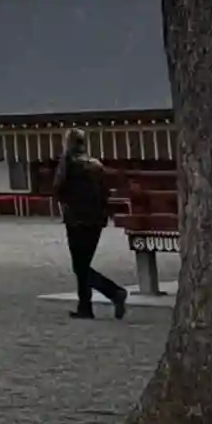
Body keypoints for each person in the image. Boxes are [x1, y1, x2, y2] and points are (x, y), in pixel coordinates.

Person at [58, 128, 128, 318]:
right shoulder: (96, 164)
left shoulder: (68, 163)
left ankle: (113, 292)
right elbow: (105, 192)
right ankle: (85, 306)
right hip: (96, 219)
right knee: (84, 263)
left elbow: (59, 187)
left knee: (80, 266)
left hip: (76, 218)